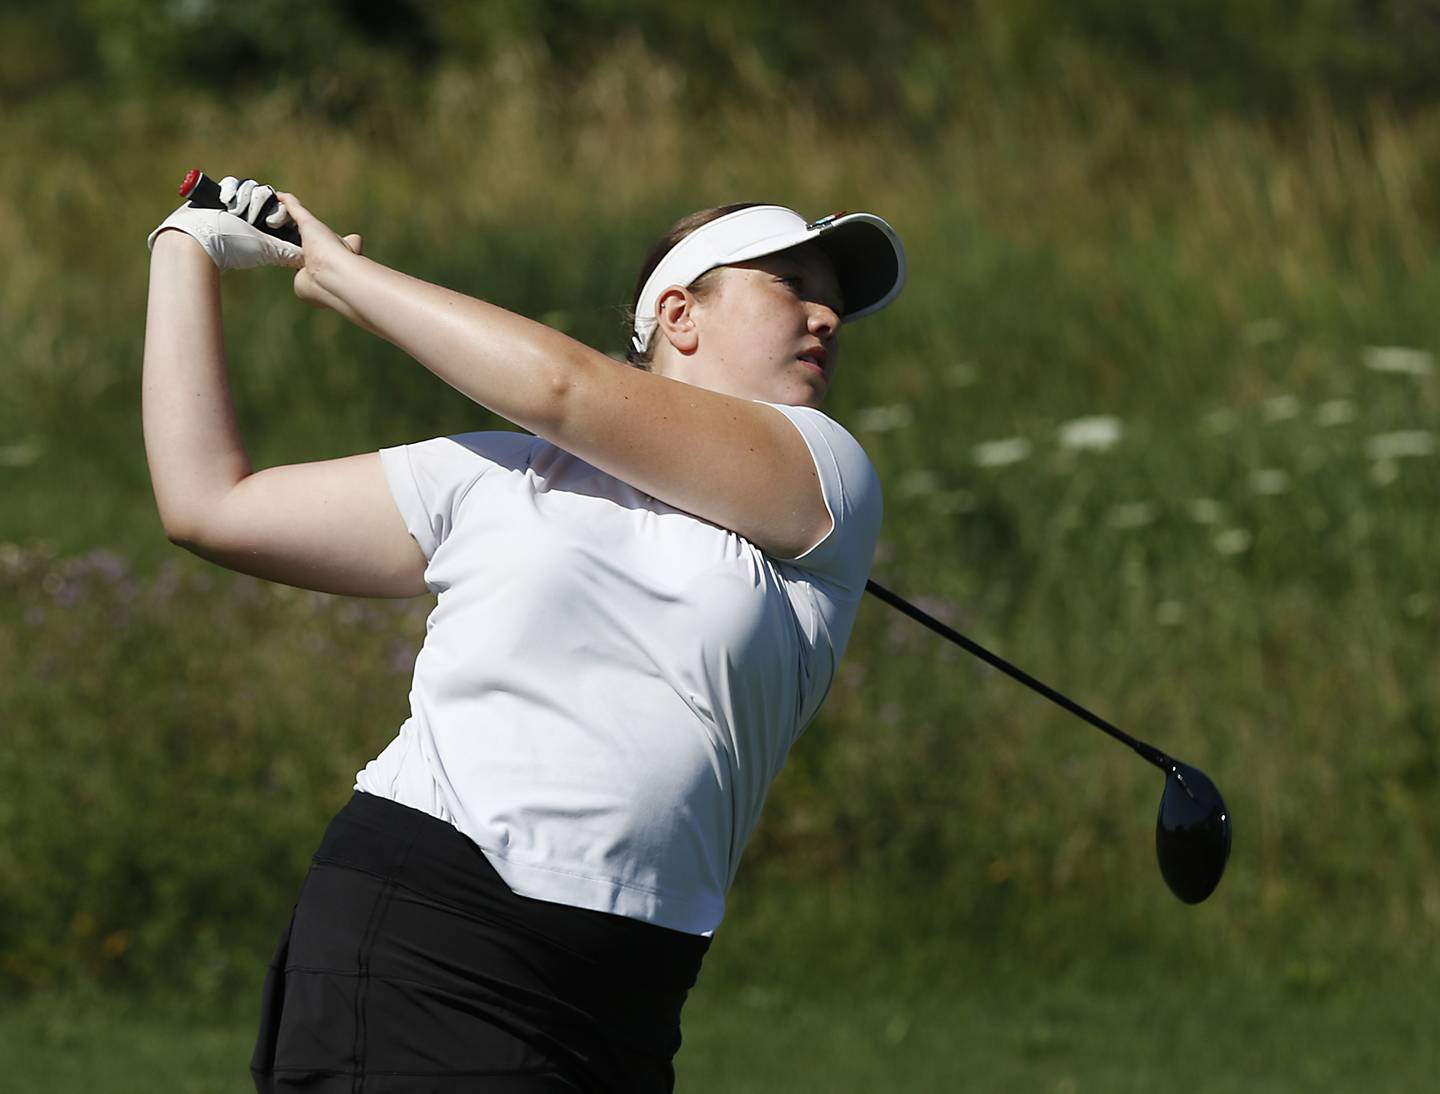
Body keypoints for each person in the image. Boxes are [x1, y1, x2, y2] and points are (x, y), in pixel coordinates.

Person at [142, 177, 906, 1092]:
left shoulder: (828, 475)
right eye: (789, 282)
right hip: (424, 923)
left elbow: (562, 388)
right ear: (680, 313)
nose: (826, 314)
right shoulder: (498, 476)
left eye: (837, 301)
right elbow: (209, 505)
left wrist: (351, 277)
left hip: (630, 987)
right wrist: (184, 248)